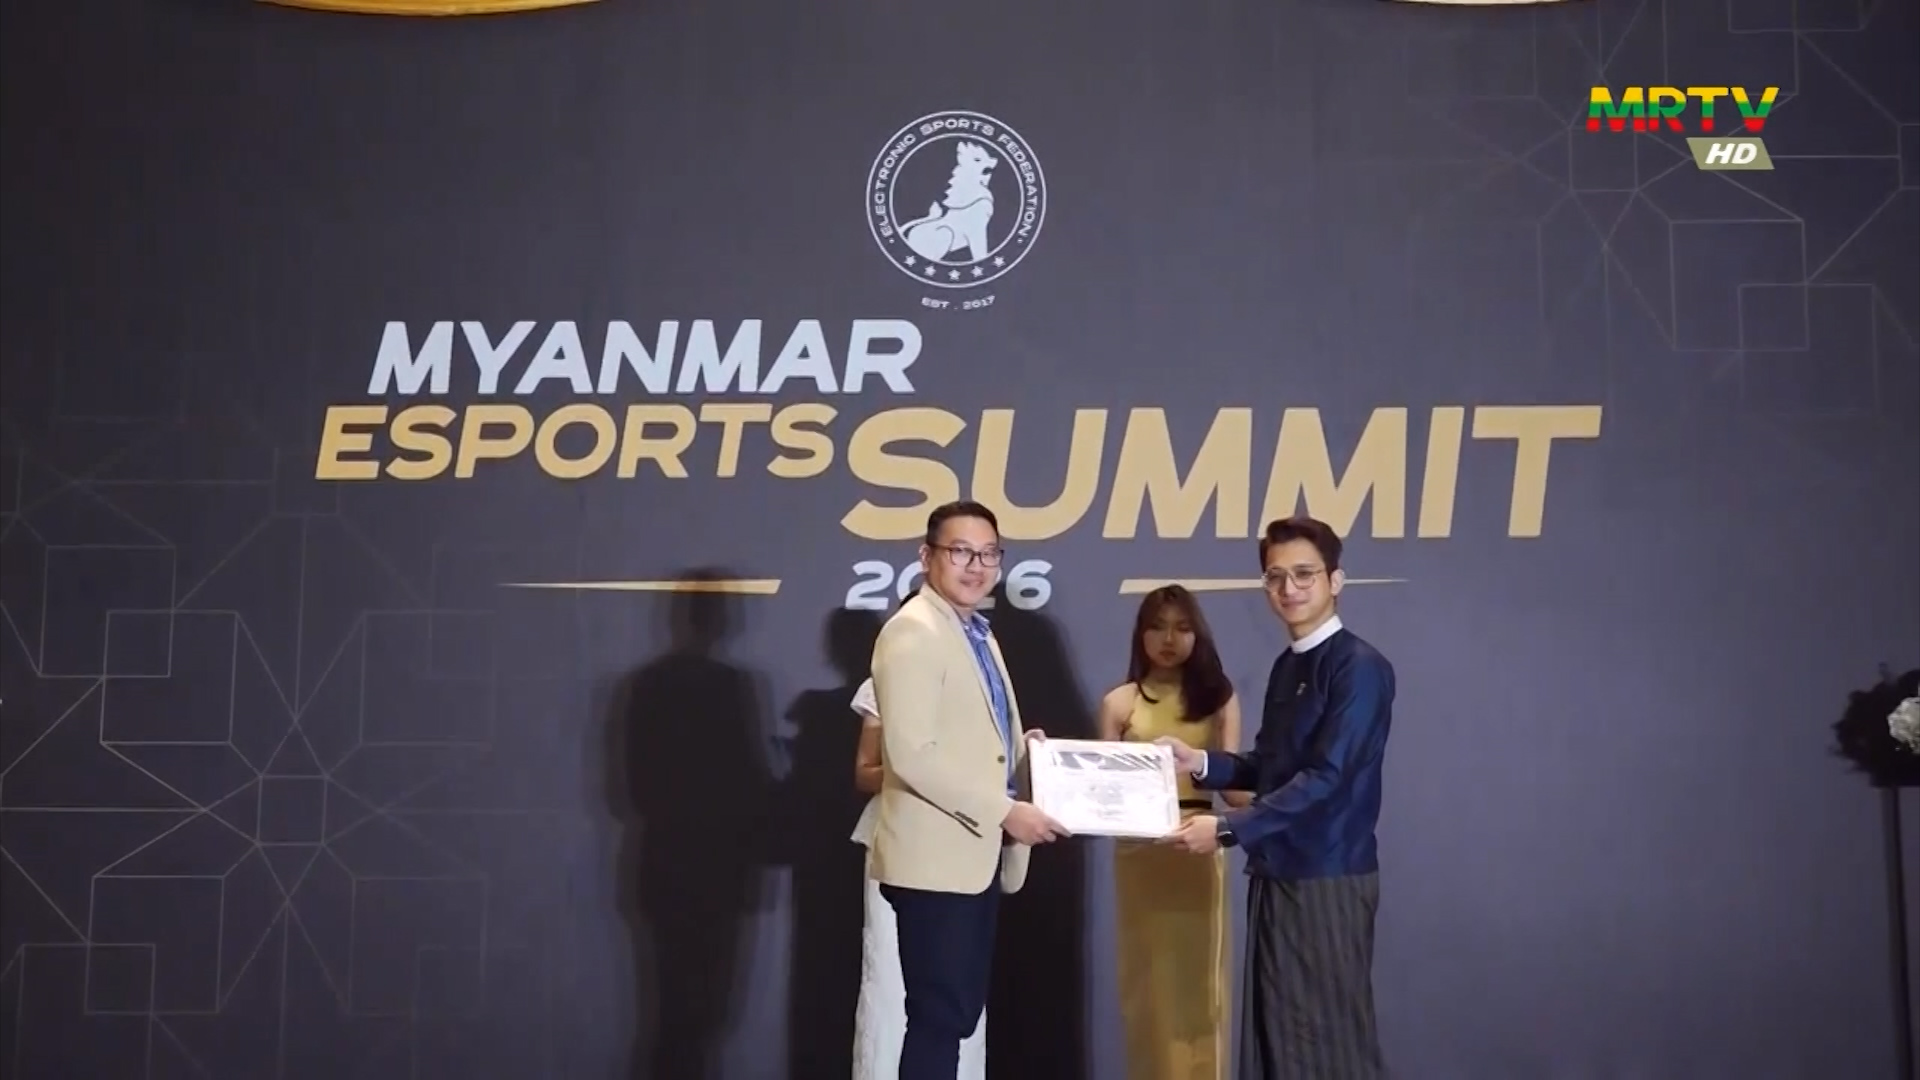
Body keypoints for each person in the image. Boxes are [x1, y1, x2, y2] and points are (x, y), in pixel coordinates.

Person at [1157, 516, 1395, 1080]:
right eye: (1275, 577)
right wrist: (1200, 763)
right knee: (1280, 1039)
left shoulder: (1359, 667)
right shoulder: (1290, 664)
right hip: (1278, 871)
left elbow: (1328, 777)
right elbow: (1270, 765)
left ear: (1336, 580)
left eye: (1304, 574)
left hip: (1326, 877)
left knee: (1328, 1043)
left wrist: (1226, 830)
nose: (1289, 588)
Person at [867, 500, 1068, 1080]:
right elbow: (912, 754)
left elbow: (967, 737)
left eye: (988, 554)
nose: (976, 566)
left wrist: (1023, 749)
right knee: (939, 1017)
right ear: (926, 556)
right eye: (960, 552)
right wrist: (1005, 810)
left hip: (968, 859)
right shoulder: (914, 631)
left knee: (951, 1016)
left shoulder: (975, 632)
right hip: (936, 862)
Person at [1098, 585, 1247, 1080]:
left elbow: (1235, 791)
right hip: (1140, 854)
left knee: (1201, 989)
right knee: (1147, 988)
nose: (1168, 639)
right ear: (1140, 634)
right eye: (1157, 627)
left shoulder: (1219, 699)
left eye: (1182, 628)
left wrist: (1288, 804)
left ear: (1197, 634)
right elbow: (1103, 791)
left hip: (1198, 847)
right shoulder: (1119, 703)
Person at [848, 677, 988, 1079]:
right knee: (893, 979)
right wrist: (918, 772)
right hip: (898, 839)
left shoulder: (978, 676)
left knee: (957, 982)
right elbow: (864, 772)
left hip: (963, 840)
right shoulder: (886, 680)